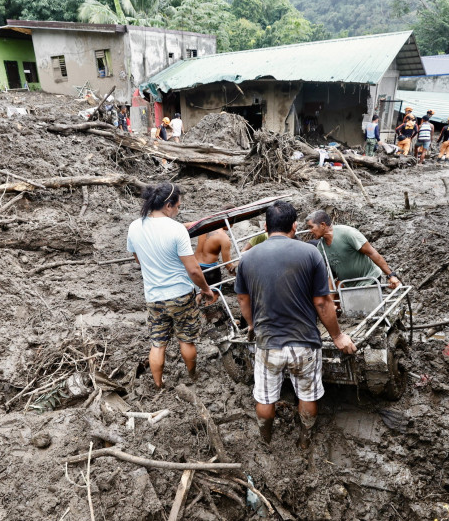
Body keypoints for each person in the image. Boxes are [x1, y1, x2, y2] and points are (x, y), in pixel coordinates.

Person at [234, 201, 355, 448]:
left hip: (269, 344)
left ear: (266, 227)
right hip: (304, 342)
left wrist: (252, 324)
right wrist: (338, 336)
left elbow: (243, 299)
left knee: (265, 398)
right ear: (294, 226)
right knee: (308, 395)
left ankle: (266, 438)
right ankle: (304, 439)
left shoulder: (247, 258)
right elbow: (323, 302)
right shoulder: (310, 253)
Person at [126, 183, 216, 388]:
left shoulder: (134, 226)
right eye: (178, 206)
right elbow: (193, 269)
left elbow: (138, 260)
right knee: (186, 340)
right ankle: (192, 375)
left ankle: (158, 384)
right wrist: (205, 289)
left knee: (158, 344)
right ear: (168, 205)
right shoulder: (176, 230)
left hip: (153, 296)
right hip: (180, 295)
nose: (178, 210)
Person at [304, 210, 401, 290]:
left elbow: (371, 253)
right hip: (348, 285)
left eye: (311, 227)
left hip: (368, 279)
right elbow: (329, 273)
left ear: (322, 225)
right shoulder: (321, 247)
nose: (310, 230)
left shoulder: (347, 233)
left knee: (365, 311)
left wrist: (391, 275)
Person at [194, 223, 236, 290]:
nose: (232, 225)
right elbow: (228, 265)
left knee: (197, 293)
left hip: (195, 265)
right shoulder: (224, 238)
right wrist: (238, 271)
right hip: (209, 270)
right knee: (214, 295)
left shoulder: (204, 229)